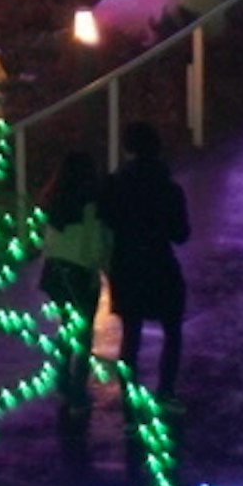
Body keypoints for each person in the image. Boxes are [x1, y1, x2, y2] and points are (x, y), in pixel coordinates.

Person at [101, 122, 189, 394]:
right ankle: (165, 391)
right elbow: (181, 234)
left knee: (131, 334)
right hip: (160, 264)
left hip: (126, 266)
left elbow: (106, 221)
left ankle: (129, 397)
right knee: (172, 331)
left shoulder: (116, 186)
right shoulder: (170, 189)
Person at [36, 150, 110, 404]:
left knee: (66, 326)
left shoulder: (54, 200)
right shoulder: (91, 205)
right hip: (80, 272)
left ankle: (62, 375)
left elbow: (47, 241)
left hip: (56, 271)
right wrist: (101, 270)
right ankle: (79, 385)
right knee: (85, 332)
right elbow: (95, 245)